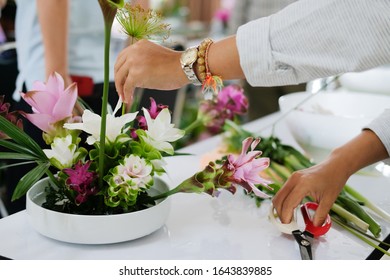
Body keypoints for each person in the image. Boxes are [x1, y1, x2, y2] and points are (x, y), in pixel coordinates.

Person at [114, 0, 390, 226]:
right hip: (253, 55)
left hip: (272, 53)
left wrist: (189, 64)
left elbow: (359, 17)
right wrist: (342, 162)